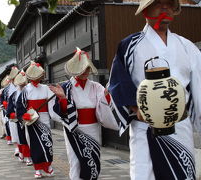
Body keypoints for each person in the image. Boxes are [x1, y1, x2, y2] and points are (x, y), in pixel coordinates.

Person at [108, 0, 201, 179]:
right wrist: (136, 108)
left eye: (169, 3)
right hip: (145, 126)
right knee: (145, 174)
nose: (164, 7)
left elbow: (198, 85)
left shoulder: (187, 46)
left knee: (182, 173)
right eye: (158, 3)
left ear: (175, 10)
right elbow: (118, 81)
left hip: (180, 126)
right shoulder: (130, 45)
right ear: (146, 10)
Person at [49, 47, 120, 180]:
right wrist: (63, 98)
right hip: (74, 129)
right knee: (75, 160)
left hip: (93, 127)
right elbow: (60, 111)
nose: (85, 72)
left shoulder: (96, 86)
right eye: (82, 68)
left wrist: (107, 95)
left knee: (93, 159)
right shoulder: (65, 87)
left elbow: (105, 105)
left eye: (87, 68)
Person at [16, 61, 55, 179]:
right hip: (32, 120)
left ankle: (47, 166)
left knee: (48, 144)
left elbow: (53, 104)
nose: (37, 79)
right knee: (35, 145)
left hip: (44, 118)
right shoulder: (26, 90)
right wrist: (24, 116)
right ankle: (38, 169)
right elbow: (20, 106)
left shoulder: (46, 88)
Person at [6, 70, 32, 165]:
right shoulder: (14, 95)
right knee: (21, 138)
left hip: (30, 118)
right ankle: (25, 155)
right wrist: (12, 113)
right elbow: (10, 108)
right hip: (19, 119)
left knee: (30, 138)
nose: (22, 86)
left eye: (24, 84)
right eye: (20, 84)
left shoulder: (30, 92)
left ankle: (29, 155)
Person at [0, 66, 19, 145]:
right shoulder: (6, 89)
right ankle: (11, 140)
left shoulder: (22, 86)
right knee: (9, 125)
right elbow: (2, 98)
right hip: (9, 108)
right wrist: (3, 103)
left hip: (20, 109)